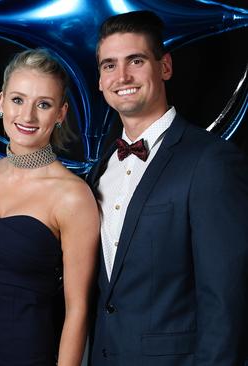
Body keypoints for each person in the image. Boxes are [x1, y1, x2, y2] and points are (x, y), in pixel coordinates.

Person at [88, 10, 248, 365]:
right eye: (109, 65)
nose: (122, 76)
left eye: (136, 60)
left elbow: (226, 299)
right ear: (100, 81)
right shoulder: (101, 167)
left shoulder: (211, 161)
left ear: (165, 67)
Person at [0, 49, 100, 365]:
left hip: (28, 354)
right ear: (1, 102)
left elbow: (78, 309)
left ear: (61, 114)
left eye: (44, 104)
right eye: (18, 100)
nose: (27, 116)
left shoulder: (73, 196)